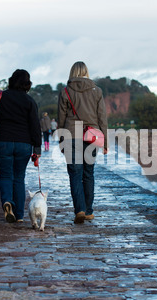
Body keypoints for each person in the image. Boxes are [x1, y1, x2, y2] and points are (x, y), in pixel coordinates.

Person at [57, 61, 108, 224]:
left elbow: (61, 118)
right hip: (92, 136)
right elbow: (102, 118)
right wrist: (105, 141)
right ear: (86, 72)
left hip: (71, 135)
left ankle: (79, 209)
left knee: (75, 174)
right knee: (88, 174)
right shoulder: (97, 91)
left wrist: (61, 140)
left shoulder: (65, 91)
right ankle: (89, 211)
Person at [0, 69, 42, 223]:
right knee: (19, 177)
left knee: (6, 175)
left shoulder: (1, 97)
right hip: (23, 144)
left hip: (3, 141)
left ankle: (7, 201)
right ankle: (19, 215)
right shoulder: (29, 101)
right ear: (27, 84)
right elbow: (35, 126)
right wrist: (37, 149)